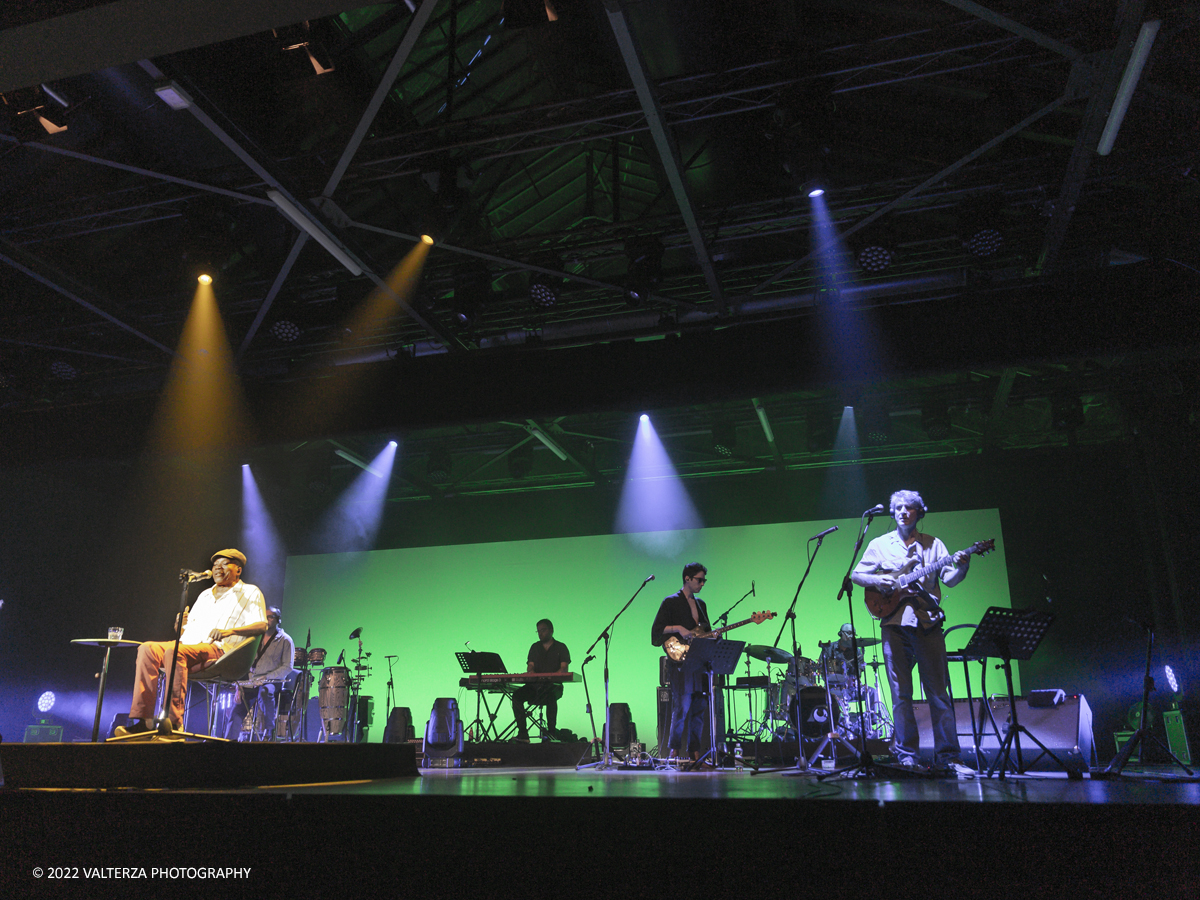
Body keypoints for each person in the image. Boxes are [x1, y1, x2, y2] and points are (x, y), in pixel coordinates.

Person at [851, 491, 973, 776]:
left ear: (920, 513)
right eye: (898, 508)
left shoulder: (934, 545)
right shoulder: (880, 544)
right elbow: (857, 575)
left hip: (927, 623)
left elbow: (950, 580)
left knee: (938, 694)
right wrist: (878, 579)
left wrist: (963, 568)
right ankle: (907, 755)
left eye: (909, 508)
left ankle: (949, 758)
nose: (903, 512)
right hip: (894, 624)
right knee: (900, 695)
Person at [117, 550, 267, 737]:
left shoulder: (250, 591)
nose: (218, 568)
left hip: (221, 651)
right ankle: (144, 720)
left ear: (238, 569)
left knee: (174, 652)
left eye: (224, 564)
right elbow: (187, 635)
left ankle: (173, 722)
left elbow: (262, 624)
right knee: (147, 648)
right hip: (189, 647)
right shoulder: (205, 595)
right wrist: (179, 626)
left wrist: (229, 631)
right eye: (215, 565)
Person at [651, 562, 724, 765]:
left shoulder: (702, 605)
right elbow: (656, 631)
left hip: (699, 661)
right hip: (681, 662)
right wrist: (679, 628)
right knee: (681, 706)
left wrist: (714, 635)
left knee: (700, 706)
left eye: (704, 580)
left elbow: (705, 633)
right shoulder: (670, 602)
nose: (702, 584)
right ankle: (674, 749)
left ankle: (694, 750)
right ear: (687, 579)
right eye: (699, 580)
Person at [224, 606, 296, 741]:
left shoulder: (286, 640)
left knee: (265, 692)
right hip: (250, 680)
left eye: (271, 617)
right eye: (265, 616)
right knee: (238, 706)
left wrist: (267, 677)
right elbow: (243, 662)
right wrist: (239, 685)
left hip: (271, 681)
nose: (267, 620)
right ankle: (229, 741)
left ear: (278, 620)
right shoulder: (255, 637)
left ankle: (269, 730)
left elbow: (287, 667)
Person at [512, 619, 571, 742]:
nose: (540, 633)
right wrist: (531, 671)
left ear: (551, 630)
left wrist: (550, 676)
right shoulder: (534, 647)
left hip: (554, 686)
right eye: (538, 631)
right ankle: (523, 734)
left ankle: (551, 733)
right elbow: (530, 666)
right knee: (516, 696)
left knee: (550, 696)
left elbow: (564, 668)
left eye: (543, 630)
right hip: (535, 686)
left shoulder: (561, 647)